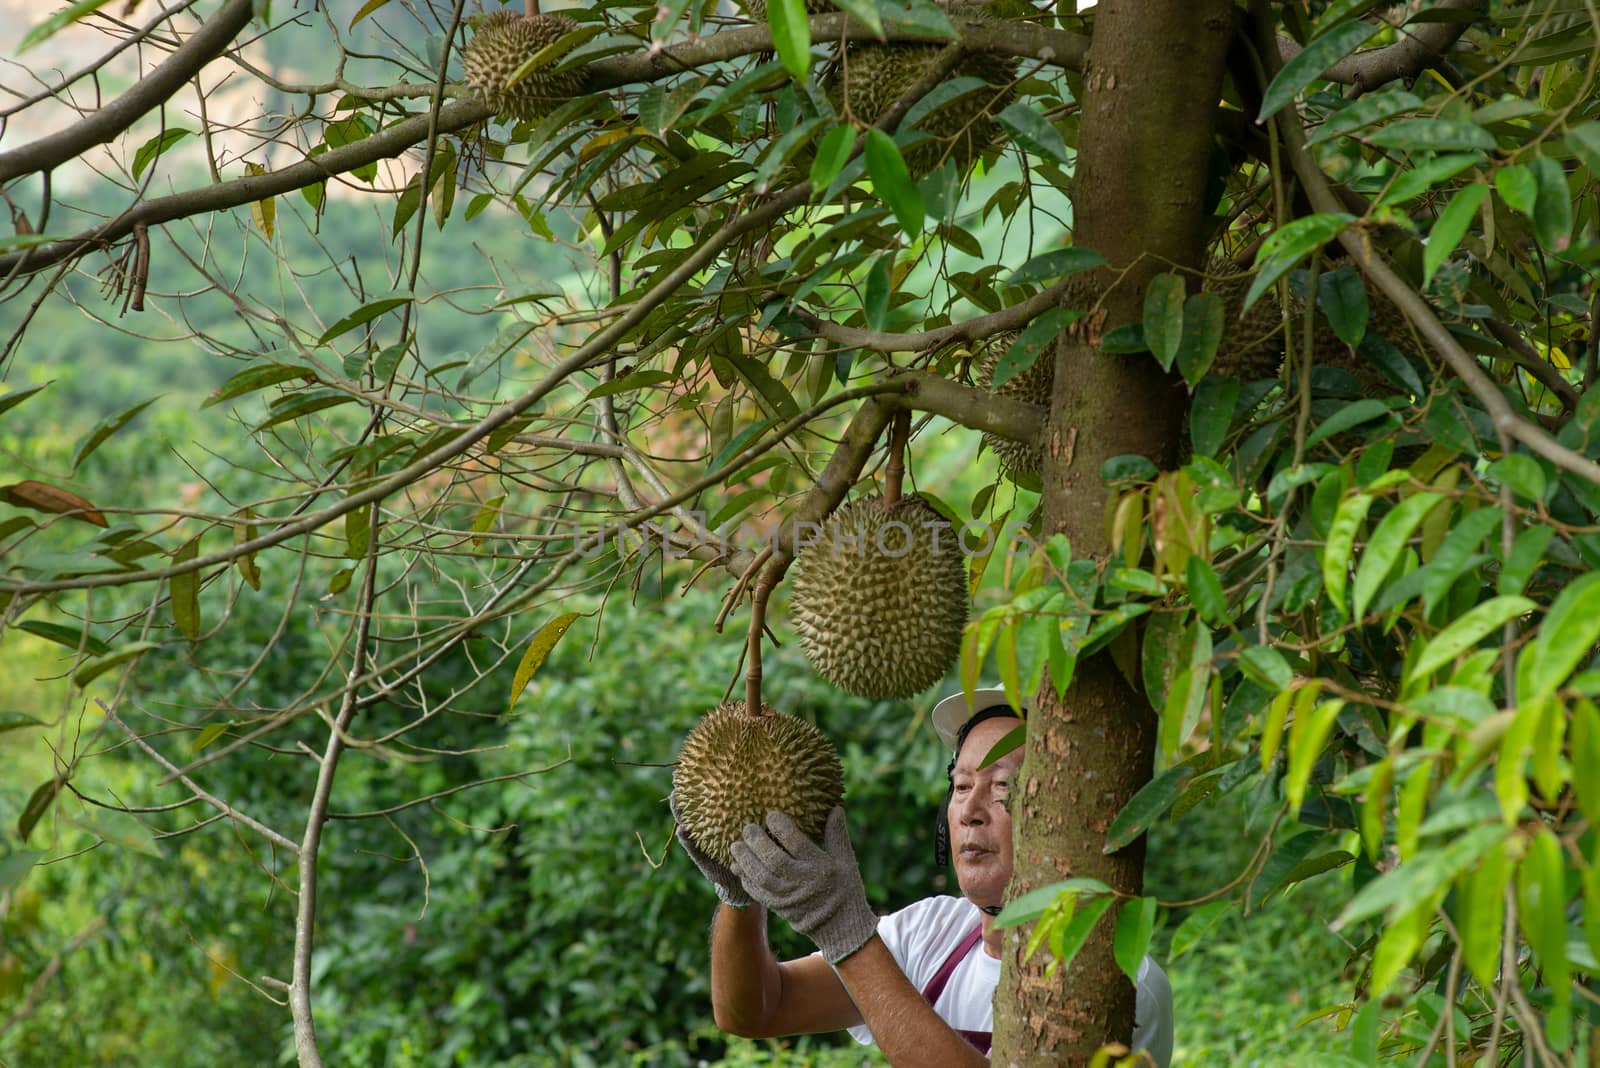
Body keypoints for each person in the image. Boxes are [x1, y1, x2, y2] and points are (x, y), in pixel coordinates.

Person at [673, 687, 1175, 1066]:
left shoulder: (1118, 978)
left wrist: (846, 933)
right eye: (961, 785)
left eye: (1004, 787)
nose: (970, 811)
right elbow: (756, 1010)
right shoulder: (931, 933)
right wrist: (739, 896)